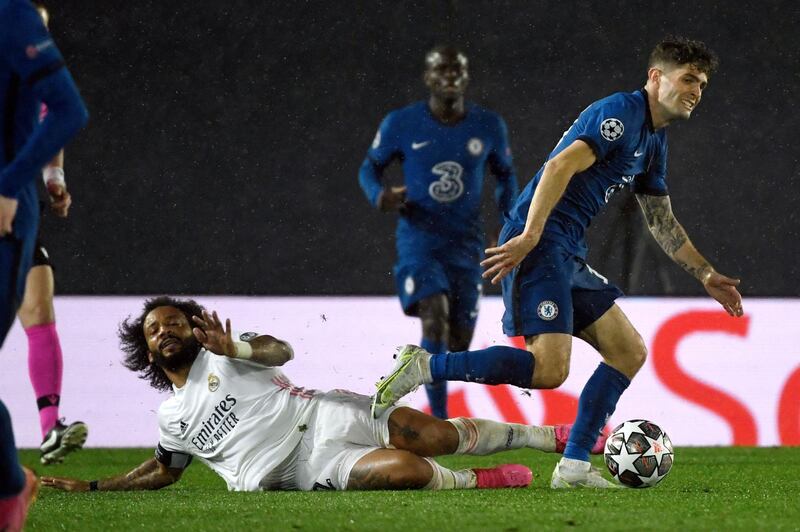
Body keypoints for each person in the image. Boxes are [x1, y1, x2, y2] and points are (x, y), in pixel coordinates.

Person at [372, 36, 744, 489]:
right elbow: (557, 168)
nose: (696, 91)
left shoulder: (654, 140)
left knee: (629, 351)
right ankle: (426, 366)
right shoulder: (619, 115)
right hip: (541, 239)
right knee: (549, 370)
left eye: (702, 84)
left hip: (565, 248)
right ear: (655, 77)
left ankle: (572, 468)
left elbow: (661, 219)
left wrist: (705, 273)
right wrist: (529, 236)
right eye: (688, 79)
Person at [43, 297, 601, 494]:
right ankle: (482, 480)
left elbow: (279, 351)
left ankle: (552, 436)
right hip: (302, 468)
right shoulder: (171, 419)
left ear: (194, 328)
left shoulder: (225, 352)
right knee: (404, 470)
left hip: (322, 413)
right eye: (153, 331)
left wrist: (235, 345)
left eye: (173, 323)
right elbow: (165, 470)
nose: (164, 332)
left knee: (431, 434)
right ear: (147, 350)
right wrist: (94, 484)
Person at [358, 45, 519, 419]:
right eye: (441, 70)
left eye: (457, 70)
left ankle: (430, 388)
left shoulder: (488, 125)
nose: (450, 77)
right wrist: (379, 196)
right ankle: (439, 421)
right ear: (428, 77)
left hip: (466, 244)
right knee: (435, 315)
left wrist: (507, 226)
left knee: (458, 342)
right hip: (419, 241)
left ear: (466, 77)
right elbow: (370, 167)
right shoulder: (401, 122)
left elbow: (506, 175)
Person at [0, 0, 89, 528]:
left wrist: (34, 182)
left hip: (8, 210)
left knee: (40, 307)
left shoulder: (13, 23)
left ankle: (46, 428)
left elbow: (60, 115)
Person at [19, 2, 89, 467]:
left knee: (40, 308)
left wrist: (54, 181)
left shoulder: (38, 79)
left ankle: (49, 429)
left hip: (17, 214)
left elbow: (57, 124)